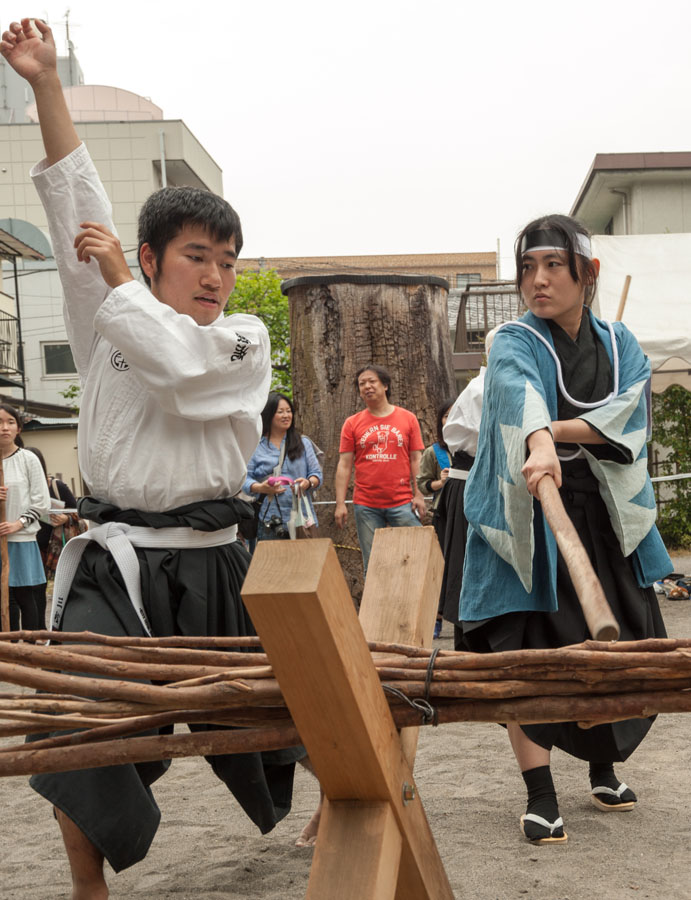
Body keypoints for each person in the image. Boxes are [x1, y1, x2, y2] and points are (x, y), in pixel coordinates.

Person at [1, 19, 303, 897]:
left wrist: (128, 292)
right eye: (196, 258)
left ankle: (345, 805)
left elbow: (177, 366)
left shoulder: (242, 342)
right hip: (116, 559)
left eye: (226, 261)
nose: (215, 276)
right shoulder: (107, 312)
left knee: (280, 712)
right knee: (76, 722)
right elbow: (75, 205)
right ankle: (87, 883)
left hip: (213, 561)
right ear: (150, 256)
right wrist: (46, 86)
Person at [459, 214, 672, 845]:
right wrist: (537, 436)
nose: (538, 280)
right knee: (530, 655)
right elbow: (515, 391)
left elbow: (630, 413)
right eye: (528, 267)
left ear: (588, 273)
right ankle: (541, 794)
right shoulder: (513, 339)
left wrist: (555, 432)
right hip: (531, 512)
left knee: (612, 647)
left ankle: (602, 766)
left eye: (554, 265)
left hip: (604, 515)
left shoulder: (618, 341)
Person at [334, 365, 426, 575]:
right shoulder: (352, 423)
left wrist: (418, 494)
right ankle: (376, 607)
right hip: (366, 504)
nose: (367, 386)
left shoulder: (408, 418)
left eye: (371, 381)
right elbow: (344, 464)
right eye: (361, 384)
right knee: (374, 564)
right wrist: (340, 504)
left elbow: (416, 459)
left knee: (416, 556)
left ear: (385, 385)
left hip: (403, 502)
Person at [244, 392, 322, 543]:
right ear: (268, 415)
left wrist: (308, 483)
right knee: (272, 565)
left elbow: (316, 474)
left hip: (303, 519)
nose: (286, 415)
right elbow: (244, 479)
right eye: (280, 412)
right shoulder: (256, 446)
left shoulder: (303, 442)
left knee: (306, 564)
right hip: (270, 521)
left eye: (289, 411)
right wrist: (261, 488)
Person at [0, 406, 51, 631]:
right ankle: (7, 652)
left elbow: (41, 502)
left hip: (20, 539)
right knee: (2, 599)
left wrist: (17, 524)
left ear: (19, 427)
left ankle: (29, 651)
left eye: (10, 422)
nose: (4, 428)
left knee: (23, 596)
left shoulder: (28, 459)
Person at [25, 446, 80, 627]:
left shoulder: (56, 486)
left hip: (55, 547)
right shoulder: (21, 487)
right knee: (33, 590)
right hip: (31, 544)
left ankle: (63, 627)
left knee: (56, 587)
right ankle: (39, 629)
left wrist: (65, 517)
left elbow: (77, 511)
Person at [416, 397, 455, 637]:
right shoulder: (434, 452)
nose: (451, 420)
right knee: (442, 564)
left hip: (472, 512)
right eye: (446, 416)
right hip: (444, 514)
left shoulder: (475, 444)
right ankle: (437, 616)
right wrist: (440, 482)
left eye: (456, 414)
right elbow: (422, 484)